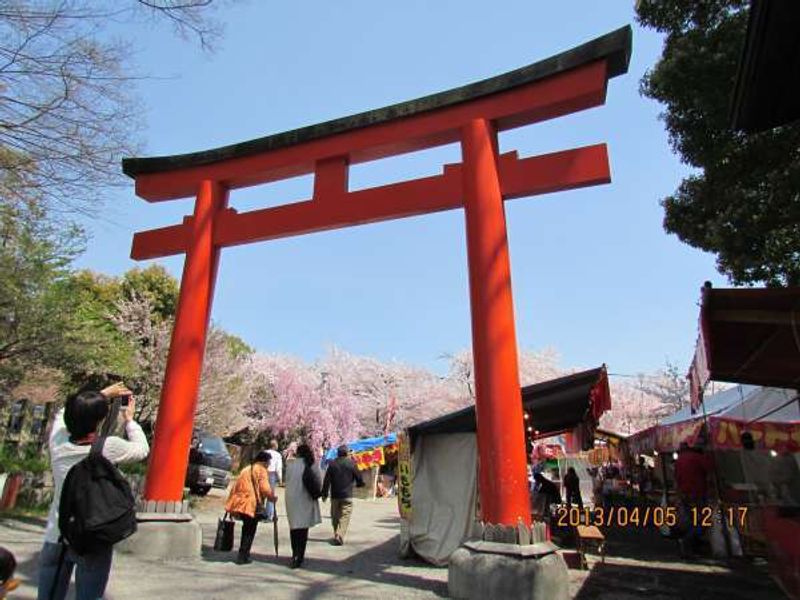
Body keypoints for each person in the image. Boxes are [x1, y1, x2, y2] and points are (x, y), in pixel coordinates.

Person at [37, 383, 149, 600]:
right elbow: (141, 449)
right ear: (98, 421)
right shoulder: (108, 447)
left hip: (57, 535)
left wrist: (102, 394)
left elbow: (62, 413)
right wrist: (129, 420)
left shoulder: (58, 442)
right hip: (94, 535)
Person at [224, 450, 277, 564]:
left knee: (246, 528)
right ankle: (243, 554)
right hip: (252, 504)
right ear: (264, 461)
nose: (268, 465)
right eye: (268, 462)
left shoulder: (246, 469)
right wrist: (272, 497)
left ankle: (242, 553)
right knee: (250, 530)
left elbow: (236, 485)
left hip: (241, 503)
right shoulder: (261, 470)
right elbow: (264, 488)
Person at [285, 443, 322, 569]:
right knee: (303, 529)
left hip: (291, 499)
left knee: (294, 528)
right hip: (305, 498)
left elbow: (286, 480)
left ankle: (294, 553)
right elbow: (318, 480)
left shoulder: (290, 465)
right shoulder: (311, 464)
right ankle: (299, 556)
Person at [674, 442, 713, 556]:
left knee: (691, 520)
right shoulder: (699, 458)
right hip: (698, 493)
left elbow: (676, 478)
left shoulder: (679, 460)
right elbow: (710, 473)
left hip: (685, 494)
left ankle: (693, 544)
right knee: (702, 520)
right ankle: (688, 541)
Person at [321, 445, 365, 545]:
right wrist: (360, 484)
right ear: (347, 453)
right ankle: (339, 534)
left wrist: (324, 494)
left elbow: (326, 481)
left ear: (338, 453)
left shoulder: (332, 464)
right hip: (347, 495)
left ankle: (337, 534)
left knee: (335, 516)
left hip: (335, 495)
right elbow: (359, 477)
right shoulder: (352, 464)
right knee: (345, 516)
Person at [265, 439, 283, 522]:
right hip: (272, 474)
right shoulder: (277, 455)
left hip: (263, 472)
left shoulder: (265, 452)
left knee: (261, 493)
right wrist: (280, 479)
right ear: (275, 446)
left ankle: (260, 512)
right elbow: (278, 468)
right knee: (270, 494)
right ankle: (269, 515)